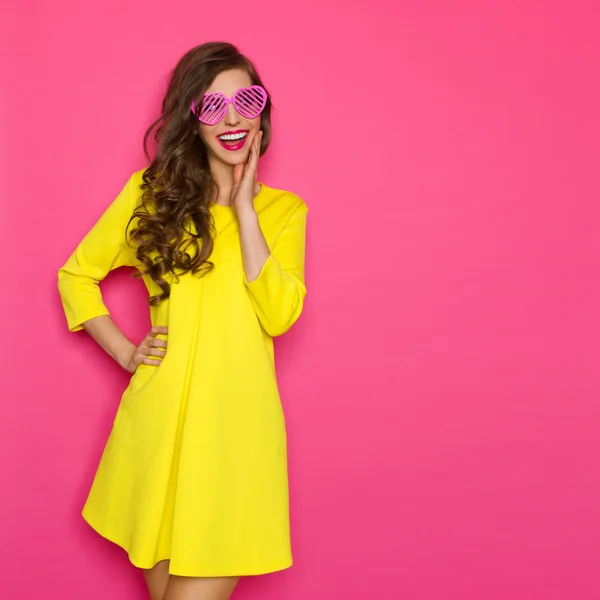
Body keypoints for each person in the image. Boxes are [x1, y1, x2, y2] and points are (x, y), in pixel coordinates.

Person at [57, 41, 308, 600]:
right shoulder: (153, 198)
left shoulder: (284, 213)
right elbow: (75, 275)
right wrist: (125, 352)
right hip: (160, 430)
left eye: (246, 99)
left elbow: (280, 313)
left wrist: (244, 210)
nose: (233, 117)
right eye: (212, 106)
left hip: (235, 437)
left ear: (262, 111)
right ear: (191, 119)